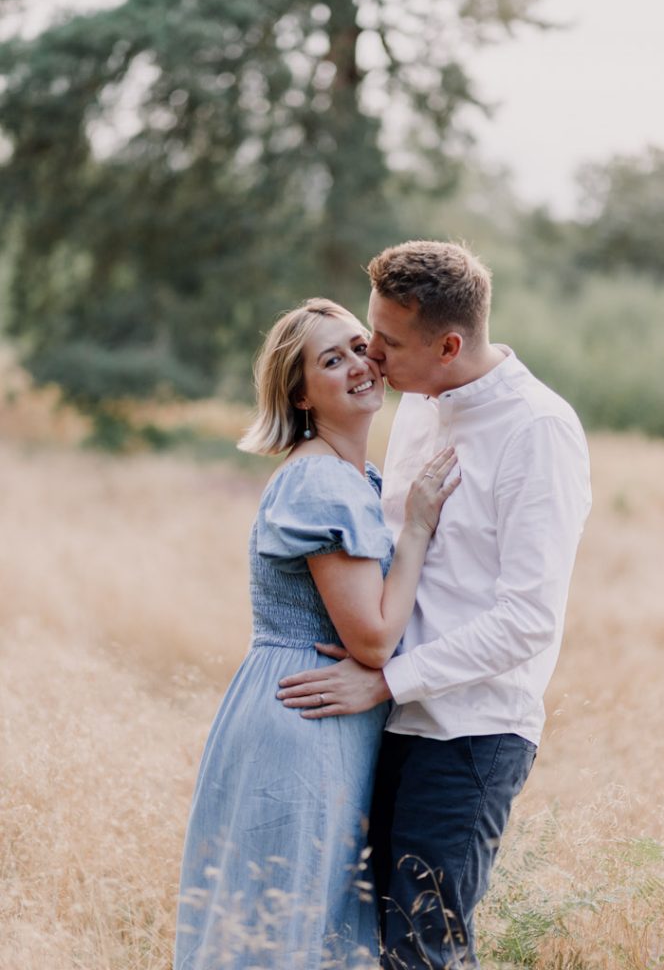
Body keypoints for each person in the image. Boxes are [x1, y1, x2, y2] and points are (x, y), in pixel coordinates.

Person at [276, 241, 592, 969]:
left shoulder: (536, 430)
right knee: (354, 945)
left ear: (448, 344)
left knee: (422, 954)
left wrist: (385, 679)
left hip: (468, 736)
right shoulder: (419, 406)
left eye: (385, 343)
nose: (371, 358)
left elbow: (527, 620)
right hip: (379, 723)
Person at [174, 297, 459, 970]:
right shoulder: (322, 484)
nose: (359, 365)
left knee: (307, 925)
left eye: (360, 347)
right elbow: (371, 641)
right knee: (282, 928)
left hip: (321, 714)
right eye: (332, 360)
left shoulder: (352, 476)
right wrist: (416, 526)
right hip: (303, 719)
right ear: (301, 392)